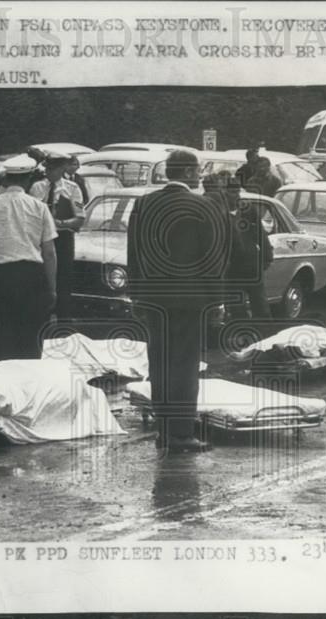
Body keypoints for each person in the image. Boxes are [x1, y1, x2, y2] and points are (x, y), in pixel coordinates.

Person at [127, 150, 231, 454]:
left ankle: (164, 429)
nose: (199, 176)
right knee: (184, 365)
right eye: (197, 171)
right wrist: (217, 302)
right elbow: (212, 261)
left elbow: (134, 254)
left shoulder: (143, 204)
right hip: (190, 299)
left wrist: (136, 295)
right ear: (186, 173)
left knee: (158, 363)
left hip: (153, 299)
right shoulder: (203, 206)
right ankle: (182, 433)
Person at [0, 155, 58, 362]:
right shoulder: (39, 207)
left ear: (6, 178)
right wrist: (52, 288)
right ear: (28, 180)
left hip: (0, 279)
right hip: (32, 278)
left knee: (0, 339)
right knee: (29, 339)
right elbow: (49, 252)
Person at [29, 151, 84, 320]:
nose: (48, 172)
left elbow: (80, 219)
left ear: (61, 169)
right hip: (41, 239)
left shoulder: (71, 189)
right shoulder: (37, 187)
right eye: (47, 168)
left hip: (62, 239)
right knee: (41, 279)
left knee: (63, 281)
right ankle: (41, 320)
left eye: (53, 169)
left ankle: (63, 323)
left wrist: (59, 223)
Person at [209, 174, 272, 319]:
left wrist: (267, 257)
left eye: (237, 191)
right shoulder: (217, 212)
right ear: (223, 192)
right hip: (231, 269)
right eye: (231, 192)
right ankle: (243, 336)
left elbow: (260, 234)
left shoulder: (248, 210)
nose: (235, 195)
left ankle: (266, 335)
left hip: (251, 266)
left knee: (261, 306)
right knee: (237, 309)